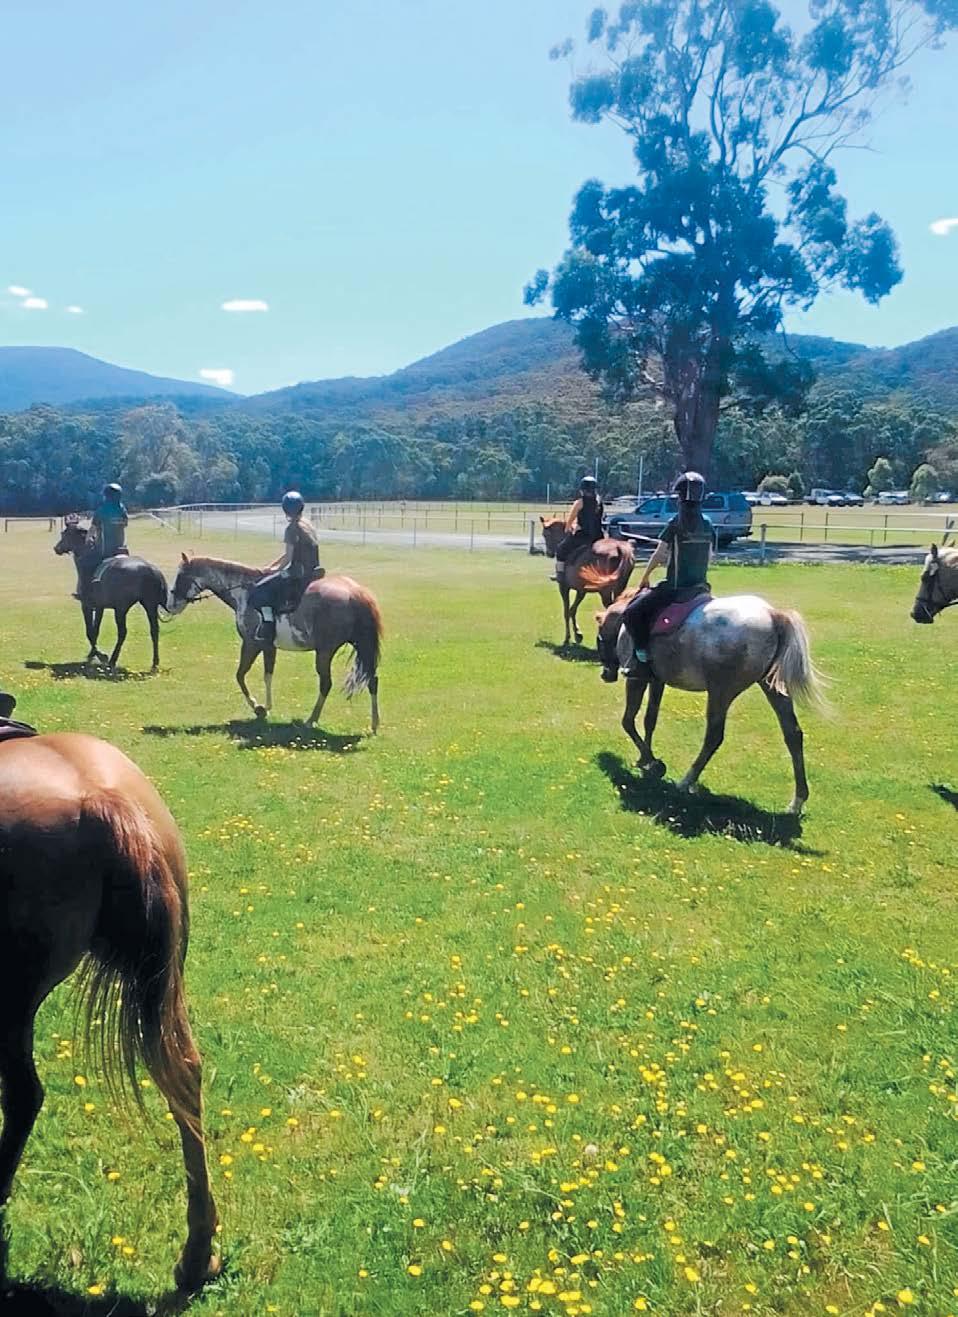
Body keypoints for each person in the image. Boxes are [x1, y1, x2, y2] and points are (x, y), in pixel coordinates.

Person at [620, 471, 716, 669]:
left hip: (675, 589)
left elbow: (659, 554)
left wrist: (645, 576)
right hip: (701, 588)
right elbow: (710, 556)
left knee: (631, 613)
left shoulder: (675, 524)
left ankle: (641, 658)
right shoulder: (708, 523)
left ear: (679, 498)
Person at [249, 491, 322, 643]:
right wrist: (271, 566)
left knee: (258, 590)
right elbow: (288, 554)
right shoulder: (307, 524)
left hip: (297, 573)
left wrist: (275, 570)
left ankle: (268, 625)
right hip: (313, 571)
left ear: (285, 509)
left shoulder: (291, 529)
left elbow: (288, 558)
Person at [553, 475, 605, 583]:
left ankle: (560, 574)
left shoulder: (579, 503)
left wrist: (567, 529)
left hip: (583, 536)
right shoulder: (599, 502)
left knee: (561, 549)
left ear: (582, 490)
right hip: (598, 536)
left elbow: (570, 520)